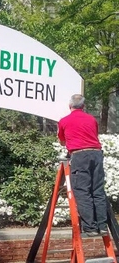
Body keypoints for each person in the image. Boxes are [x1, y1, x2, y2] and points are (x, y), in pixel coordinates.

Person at [57, 94, 108, 237]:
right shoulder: (92, 119)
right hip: (96, 154)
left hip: (80, 156)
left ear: (70, 106)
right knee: (97, 190)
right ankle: (102, 226)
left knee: (82, 191)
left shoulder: (64, 121)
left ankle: (90, 228)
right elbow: (93, 136)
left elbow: (62, 140)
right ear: (83, 106)